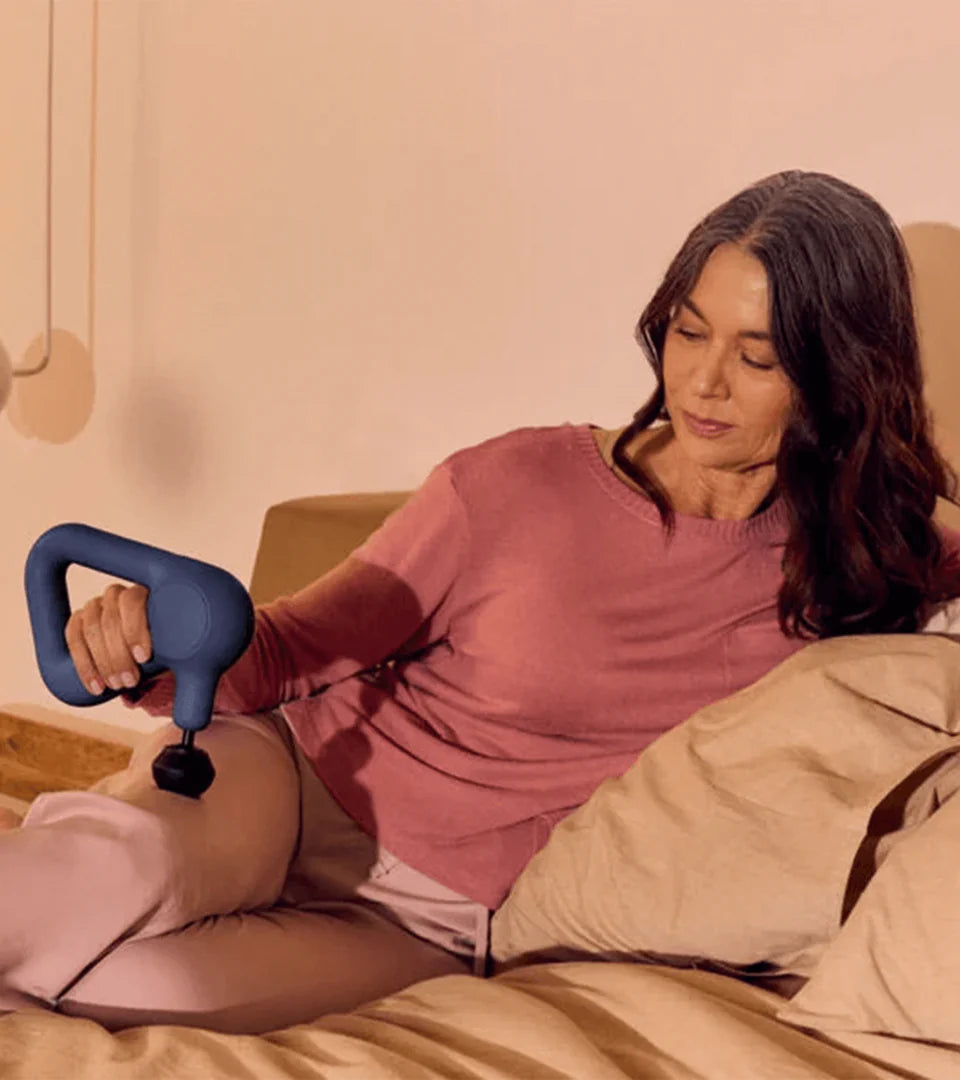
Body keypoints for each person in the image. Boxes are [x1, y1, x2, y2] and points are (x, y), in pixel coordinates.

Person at [2, 169, 959, 1035]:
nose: (702, 381)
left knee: (141, 1002)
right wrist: (149, 647)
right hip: (298, 784)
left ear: (840, 370)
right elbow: (295, 650)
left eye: (759, 357)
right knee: (102, 878)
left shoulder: (876, 560)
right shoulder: (513, 486)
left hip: (438, 921)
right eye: (689, 329)